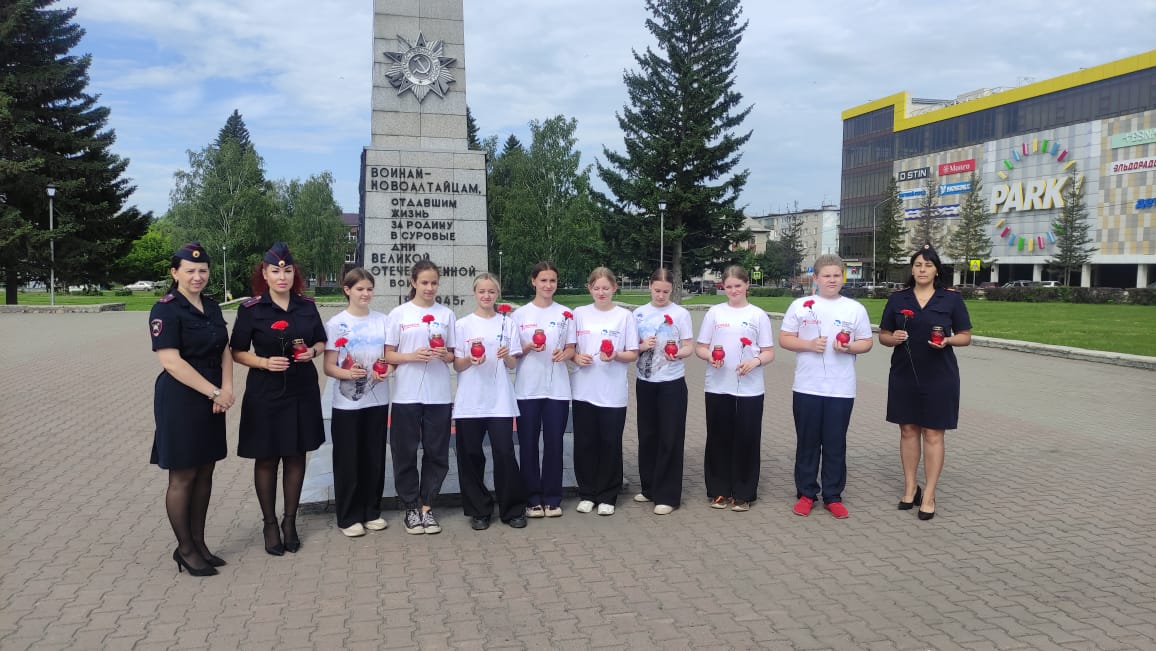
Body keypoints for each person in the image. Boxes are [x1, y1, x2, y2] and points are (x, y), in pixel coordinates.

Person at [230, 243, 326, 555]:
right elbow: (237, 351)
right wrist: (263, 362)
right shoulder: (251, 309)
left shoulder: (306, 306)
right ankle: (269, 523)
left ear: (293, 273)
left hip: (301, 388)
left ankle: (289, 521)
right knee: (267, 457)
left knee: (296, 455)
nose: (281, 276)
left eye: (287, 270)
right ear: (265, 274)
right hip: (266, 390)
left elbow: (321, 339)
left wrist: (313, 351)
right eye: (275, 271)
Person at [149, 242, 234, 577]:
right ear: (175, 273)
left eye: (202, 270)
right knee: (183, 474)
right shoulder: (165, 309)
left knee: (206, 471)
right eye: (190, 271)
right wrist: (214, 391)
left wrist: (227, 389)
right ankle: (184, 549)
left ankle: (199, 543)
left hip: (213, 395)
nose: (197, 276)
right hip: (182, 398)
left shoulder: (211, 307)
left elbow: (225, 349)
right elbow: (171, 361)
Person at [879, 244, 972, 521]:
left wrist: (948, 340)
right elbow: (883, 335)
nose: (922, 269)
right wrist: (892, 338)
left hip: (939, 375)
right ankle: (911, 487)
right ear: (912, 269)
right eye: (918, 265)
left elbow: (965, 335)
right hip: (904, 373)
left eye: (928, 265)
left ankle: (929, 493)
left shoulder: (950, 299)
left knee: (933, 433)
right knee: (908, 430)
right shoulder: (898, 299)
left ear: (936, 270)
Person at [778, 255, 874, 519]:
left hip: (841, 389)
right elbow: (784, 339)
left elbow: (866, 342)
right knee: (807, 442)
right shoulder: (801, 306)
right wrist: (809, 345)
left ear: (842, 277)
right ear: (816, 278)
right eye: (826, 276)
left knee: (834, 443)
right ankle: (807, 493)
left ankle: (832, 495)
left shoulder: (854, 309)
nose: (831, 280)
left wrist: (849, 347)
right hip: (807, 386)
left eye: (836, 275)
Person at [384, 260, 456, 535]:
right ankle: (411, 507)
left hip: (437, 395)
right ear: (413, 282)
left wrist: (445, 355)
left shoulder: (446, 314)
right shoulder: (399, 314)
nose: (429, 288)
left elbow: (452, 354)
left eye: (434, 283)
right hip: (406, 395)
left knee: (437, 453)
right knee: (405, 452)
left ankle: (428, 506)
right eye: (424, 282)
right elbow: (388, 354)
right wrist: (411, 356)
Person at [695, 265, 774, 512]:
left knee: (747, 439)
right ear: (723, 287)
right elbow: (701, 347)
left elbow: (769, 352)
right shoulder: (715, 313)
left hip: (750, 388)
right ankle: (718, 490)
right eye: (728, 286)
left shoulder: (758, 315)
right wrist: (710, 357)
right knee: (718, 438)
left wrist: (755, 361)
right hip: (718, 385)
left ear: (747, 285)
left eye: (737, 286)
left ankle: (744, 492)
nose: (733, 291)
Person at [452, 273, 528, 530]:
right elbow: (458, 364)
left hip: (500, 401)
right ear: (474, 293)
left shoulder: (507, 324)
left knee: (505, 453)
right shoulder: (462, 325)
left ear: (498, 294)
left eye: (491, 292)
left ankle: (512, 509)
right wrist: (470, 361)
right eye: (482, 291)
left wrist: (507, 356)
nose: (486, 296)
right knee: (471, 455)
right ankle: (479, 510)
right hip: (470, 400)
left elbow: (513, 363)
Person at [322, 268, 391, 538]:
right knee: (348, 459)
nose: (365, 294)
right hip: (347, 403)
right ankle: (348, 516)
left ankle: (371, 511)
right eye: (360, 288)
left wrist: (384, 371)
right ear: (347, 290)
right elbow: (329, 366)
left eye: (369, 289)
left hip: (378, 399)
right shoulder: (336, 323)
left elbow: (387, 359)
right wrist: (347, 373)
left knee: (373, 457)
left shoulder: (383, 321)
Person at [571, 267, 639, 516]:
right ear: (589, 288)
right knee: (585, 443)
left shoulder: (624, 317)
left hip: (612, 392)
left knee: (610, 443)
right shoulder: (579, 314)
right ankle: (587, 493)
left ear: (614, 288)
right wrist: (577, 357)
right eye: (596, 288)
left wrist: (615, 355)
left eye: (606, 288)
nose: (601, 292)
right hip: (583, 390)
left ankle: (608, 494)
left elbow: (633, 352)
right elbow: (570, 349)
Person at [511, 262, 576, 519]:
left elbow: (571, 348)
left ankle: (552, 497)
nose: (548, 285)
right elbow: (513, 356)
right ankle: (532, 499)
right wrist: (527, 347)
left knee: (553, 444)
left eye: (552, 281)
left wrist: (566, 353)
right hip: (527, 389)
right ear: (533, 281)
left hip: (557, 389)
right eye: (543, 280)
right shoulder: (519, 315)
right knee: (527, 444)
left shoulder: (565, 314)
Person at [631, 268, 694, 515]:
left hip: (671, 382)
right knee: (647, 435)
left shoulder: (680, 314)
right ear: (649, 286)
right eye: (657, 291)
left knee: (670, 436)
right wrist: (640, 345)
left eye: (665, 292)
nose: (660, 296)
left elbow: (688, 345)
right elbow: (629, 348)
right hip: (645, 381)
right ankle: (649, 487)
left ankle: (667, 495)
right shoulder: (638, 314)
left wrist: (677, 353)